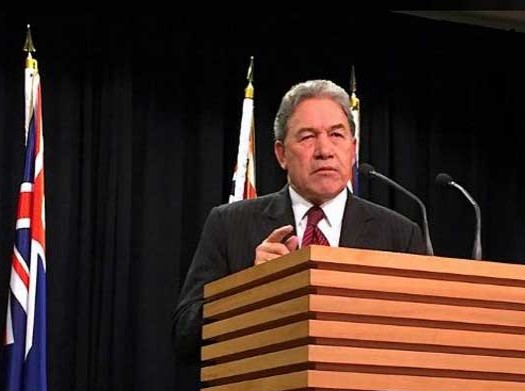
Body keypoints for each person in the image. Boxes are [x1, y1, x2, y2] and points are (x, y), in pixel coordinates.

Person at [173, 79, 427, 361]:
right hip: (264, 387)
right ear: (281, 154)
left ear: (353, 149)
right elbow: (185, 338)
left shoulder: (399, 235)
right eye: (307, 137)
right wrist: (250, 288)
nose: (324, 150)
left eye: (336, 135)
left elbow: (425, 339)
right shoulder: (229, 224)